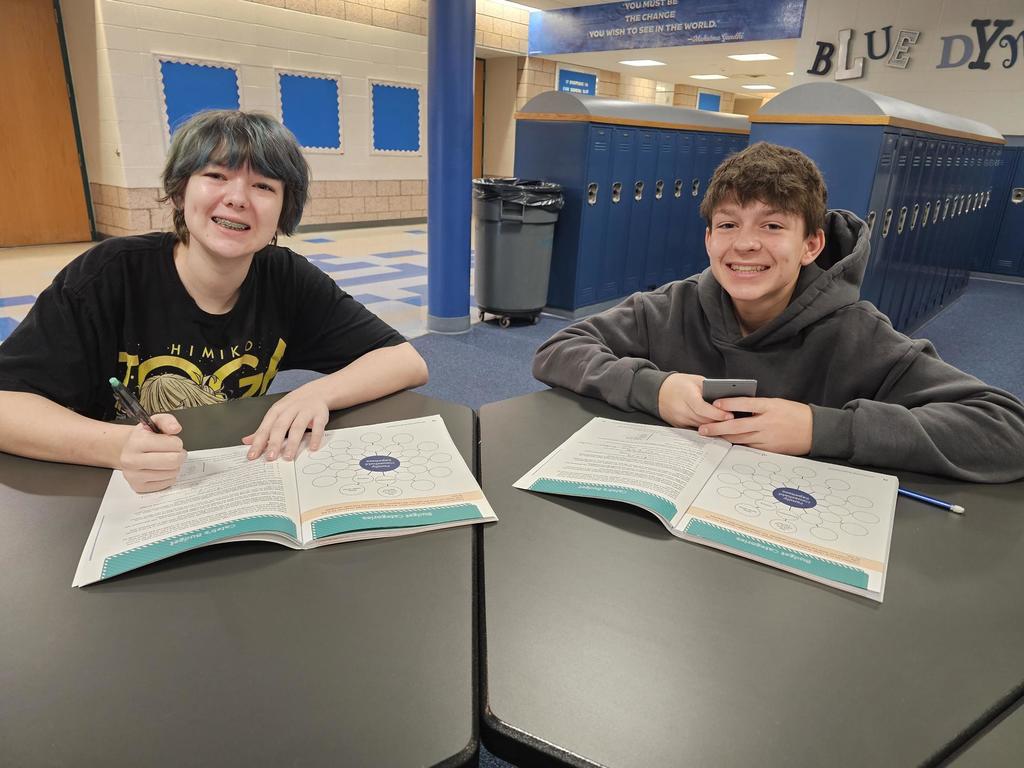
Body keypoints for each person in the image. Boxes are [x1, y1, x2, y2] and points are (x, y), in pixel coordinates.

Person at [533, 142, 1024, 482]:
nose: (745, 244)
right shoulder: (671, 306)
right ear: (709, 239)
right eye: (728, 224)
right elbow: (559, 350)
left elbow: (1003, 428)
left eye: (771, 225)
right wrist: (654, 388)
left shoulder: (857, 335)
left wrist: (822, 428)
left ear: (812, 244)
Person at [0, 110, 427, 492]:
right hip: (105, 487)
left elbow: (405, 361)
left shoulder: (286, 278)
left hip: (226, 474)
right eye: (216, 176)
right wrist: (116, 446)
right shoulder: (108, 275)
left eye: (263, 185)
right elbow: (6, 405)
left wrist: (316, 392)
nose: (238, 198)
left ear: (283, 210)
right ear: (180, 191)